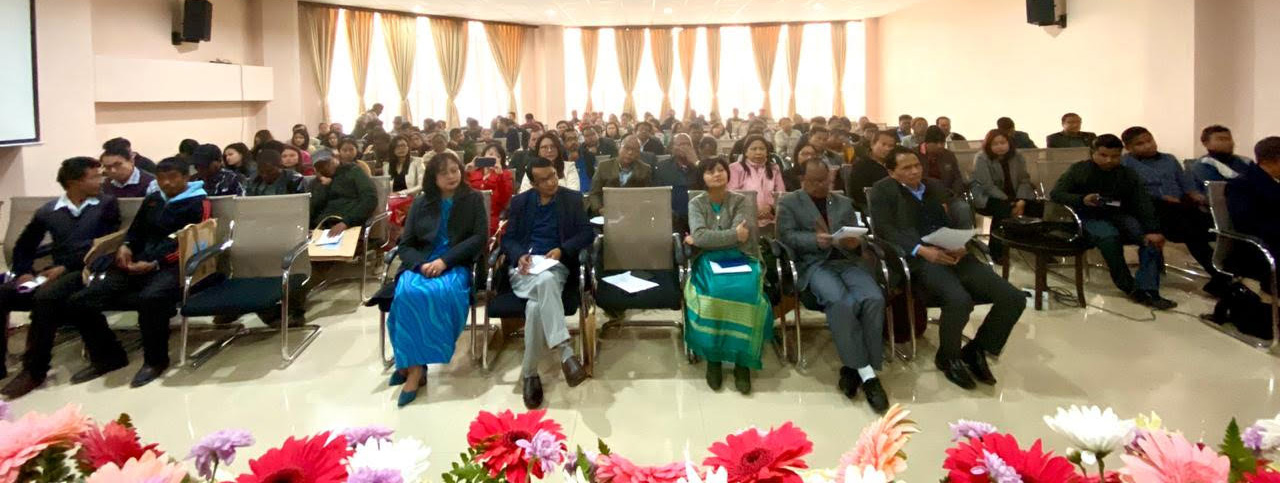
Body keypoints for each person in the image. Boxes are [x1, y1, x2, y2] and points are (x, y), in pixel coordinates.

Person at [870, 148, 1025, 391]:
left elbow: (951, 219)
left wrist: (961, 243)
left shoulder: (933, 185)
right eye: (906, 168)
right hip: (918, 259)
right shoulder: (882, 191)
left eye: (917, 165)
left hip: (951, 252)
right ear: (891, 172)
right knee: (959, 300)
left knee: (1013, 297)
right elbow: (885, 230)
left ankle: (976, 349)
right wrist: (921, 250)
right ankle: (948, 357)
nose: (915, 171)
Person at [69, 157, 211, 388]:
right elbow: (136, 230)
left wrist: (156, 262)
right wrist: (126, 246)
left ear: (186, 177)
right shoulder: (154, 199)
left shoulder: (198, 202)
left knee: (151, 298)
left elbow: (194, 240)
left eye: (172, 177)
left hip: (173, 265)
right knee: (82, 300)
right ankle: (108, 356)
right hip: (136, 261)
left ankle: (155, 361)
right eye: (161, 178)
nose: (166, 183)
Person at [0, 158, 125, 398]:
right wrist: (24, 271)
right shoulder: (49, 211)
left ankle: (34, 369)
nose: (101, 181)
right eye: (94, 177)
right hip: (55, 270)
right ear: (74, 182)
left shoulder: (106, 204)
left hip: (86, 269)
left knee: (46, 297)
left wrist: (66, 267)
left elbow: (104, 244)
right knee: (4, 293)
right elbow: (24, 245)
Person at [371, 152, 487, 407]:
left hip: (454, 263)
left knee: (437, 293)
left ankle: (411, 368)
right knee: (407, 293)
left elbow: (479, 238)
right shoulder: (421, 203)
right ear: (433, 178)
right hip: (421, 263)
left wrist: (445, 261)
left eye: (454, 170)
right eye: (444, 173)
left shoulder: (473, 199)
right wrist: (421, 264)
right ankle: (414, 366)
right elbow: (406, 244)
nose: (451, 176)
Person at [777, 158, 889, 412]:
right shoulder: (789, 202)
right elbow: (785, 236)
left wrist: (855, 242)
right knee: (841, 302)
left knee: (874, 299)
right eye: (815, 181)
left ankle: (853, 367)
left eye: (825, 181)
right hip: (814, 264)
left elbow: (859, 233)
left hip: (847, 262)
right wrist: (814, 240)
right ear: (803, 180)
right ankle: (868, 375)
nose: (821, 186)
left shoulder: (843, 202)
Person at [501, 157, 593, 409]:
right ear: (533, 183)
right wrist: (519, 255)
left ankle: (530, 374)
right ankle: (565, 351)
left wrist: (563, 250)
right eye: (544, 180)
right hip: (525, 270)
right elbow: (508, 240)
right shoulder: (521, 202)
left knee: (535, 306)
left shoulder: (571, 199)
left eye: (553, 175)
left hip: (555, 267)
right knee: (544, 283)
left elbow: (587, 233)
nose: (552, 182)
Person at [683, 157, 774, 395]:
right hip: (708, 260)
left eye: (720, 170)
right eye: (710, 171)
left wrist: (706, 238)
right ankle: (714, 359)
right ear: (702, 177)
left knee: (747, 292)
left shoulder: (742, 201)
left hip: (742, 257)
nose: (717, 174)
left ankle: (742, 362)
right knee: (714, 294)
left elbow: (743, 238)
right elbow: (702, 236)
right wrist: (730, 235)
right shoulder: (696, 203)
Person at [1051, 135, 1175, 309]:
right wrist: (1082, 199)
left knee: (1150, 240)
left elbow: (1142, 202)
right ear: (1092, 153)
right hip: (1088, 215)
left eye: (1115, 156)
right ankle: (1130, 287)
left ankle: (1149, 289)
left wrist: (1152, 229)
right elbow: (1056, 194)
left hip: (1119, 214)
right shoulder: (1079, 170)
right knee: (1109, 238)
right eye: (1103, 155)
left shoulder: (1127, 174)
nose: (1109, 160)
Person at [1122, 126, 1231, 296]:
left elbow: (1186, 184)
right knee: (1192, 233)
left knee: (1214, 227)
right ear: (1129, 148)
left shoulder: (1169, 159)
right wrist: (1161, 197)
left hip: (1180, 206)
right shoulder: (1126, 164)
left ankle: (1225, 274)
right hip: (1153, 209)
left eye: (1149, 140)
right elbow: (1132, 193)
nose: (1148, 145)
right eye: (1140, 144)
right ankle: (1222, 276)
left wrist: (1199, 197)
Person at [971, 129, 1038, 257]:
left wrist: (1021, 200)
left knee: (1036, 207)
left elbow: (1024, 180)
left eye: (1003, 143)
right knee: (1002, 210)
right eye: (995, 144)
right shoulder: (981, 158)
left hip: (1016, 196)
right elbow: (987, 186)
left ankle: (1036, 249)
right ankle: (997, 252)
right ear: (989, 146)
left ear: (1009, 143)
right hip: (989, 196)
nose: (1000, 147)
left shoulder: (1017, 156)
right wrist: (1010, 202)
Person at [1227, 137, 1280, 281]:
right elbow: (1248, 223)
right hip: (1259, 246)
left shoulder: (1272, 181)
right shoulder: (1243, 184)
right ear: (1274, 160)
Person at [311, 137, 378, 232]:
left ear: (336, 158)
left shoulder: (353, 171)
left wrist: (347, 222)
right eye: (321, 166)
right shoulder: (318, 182)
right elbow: (314, 208)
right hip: (323, 224)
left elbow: (370, 198)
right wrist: (324, 186)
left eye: (328, 162)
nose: (326, 167)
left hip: (349, 222)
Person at [728, 135, 786, 227]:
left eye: (762, 149)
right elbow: (732, 195)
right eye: (753, 149)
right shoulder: (735, 168)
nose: (758, 152)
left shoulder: (774, 168)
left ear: (767, 152)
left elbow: (781, 193)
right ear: (746, 152)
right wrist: (753, 211)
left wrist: (770, 208)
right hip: (743, 219)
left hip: (771, 216)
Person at [586, 136, 653, 216]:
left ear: (639, 153)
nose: (630, 153)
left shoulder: (645, 169)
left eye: (634, 150)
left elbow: (648, 195)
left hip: (634, 213)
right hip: (607, 212)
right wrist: (600, 209)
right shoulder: (604, 166)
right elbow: (594, 193)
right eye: (627, 148)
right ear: (619, 147)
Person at [468, 142, 515, 235]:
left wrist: (500, 175)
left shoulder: (505, 174)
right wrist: (466, 172)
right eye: (490, 154)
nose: (493, 157)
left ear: (501, 160)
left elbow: (505, 200)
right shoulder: (473, 172)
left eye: (498, 156)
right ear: (483, 156)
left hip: (491, 216)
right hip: (470, 214)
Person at [1191, 125, 1255, 191]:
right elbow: (1218, 187)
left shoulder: (1245, 161)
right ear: (1206, 144)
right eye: (1221, 139)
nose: (1227, 143)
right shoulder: (1202, 165)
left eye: (1229, 139)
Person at [845, 130, 897, 210]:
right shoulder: (861, 165)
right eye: (883, 144)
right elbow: (858, 194)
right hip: (871, 206)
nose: (887, 149)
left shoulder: (895, 163)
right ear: (872, 144)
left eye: (891, 146)